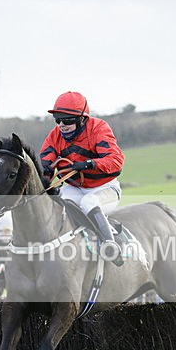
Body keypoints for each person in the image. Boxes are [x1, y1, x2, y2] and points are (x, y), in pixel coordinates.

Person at [40, 91, 125, 266]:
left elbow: (116, 161)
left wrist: (89, 164)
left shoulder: (98, 128)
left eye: (68, 120)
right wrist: (45, 169)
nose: (62, 125)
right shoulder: (55, 135)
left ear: (82, 119)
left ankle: (111, 246)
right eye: (58, 120)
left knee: (89, 202)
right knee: (60, 203)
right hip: (75, 187)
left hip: (104, 188)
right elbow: (46, 160)